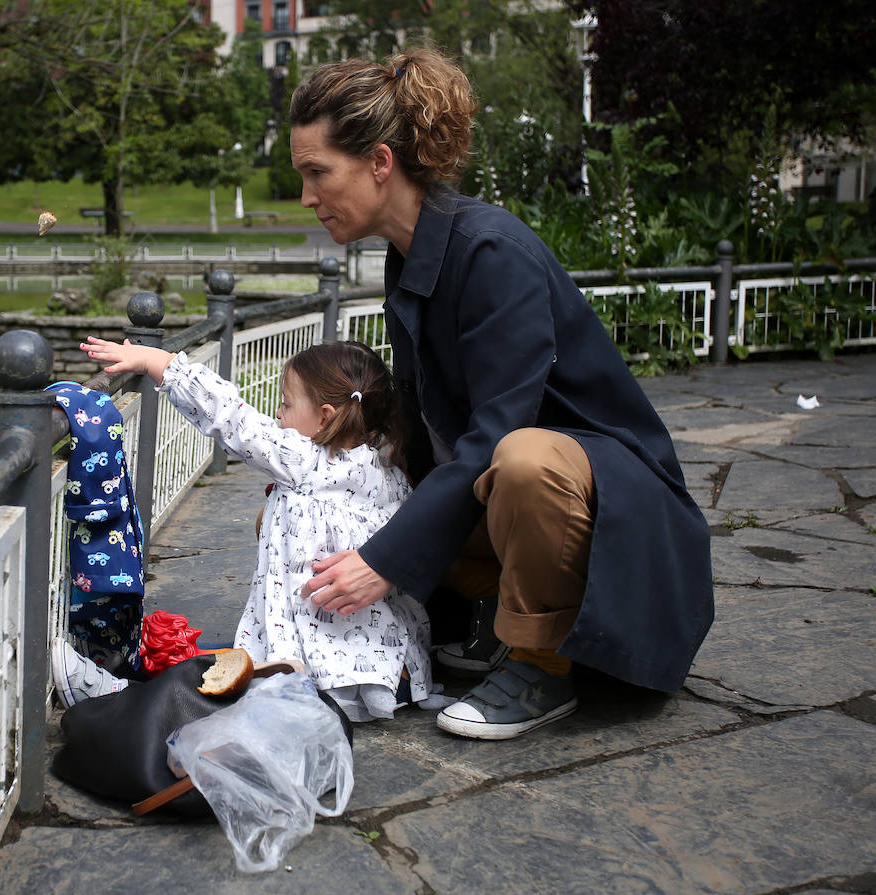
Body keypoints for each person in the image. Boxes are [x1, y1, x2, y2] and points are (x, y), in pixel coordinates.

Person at [288, 48, 714, 740]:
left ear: (379, 163)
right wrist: (324, 482)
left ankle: (541, 663)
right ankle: (490, 619)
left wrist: (384, 561)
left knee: (520, 459)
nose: (307, 196)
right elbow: (423, 433)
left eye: (316, 172)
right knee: (341, 507)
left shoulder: (490, 252)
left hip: (620, 514)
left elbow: (491, 439)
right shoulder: (410, 256)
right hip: (523, 502)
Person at [70, 336, 446, 722]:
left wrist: (159, 362)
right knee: (226, 658)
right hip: (386, 670)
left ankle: (113, 690)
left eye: (285, 403)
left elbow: (232, 418)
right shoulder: (389, 475)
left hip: (319, 679)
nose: (278, 414)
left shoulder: (303, 461)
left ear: (325, 417)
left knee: (205, 674)